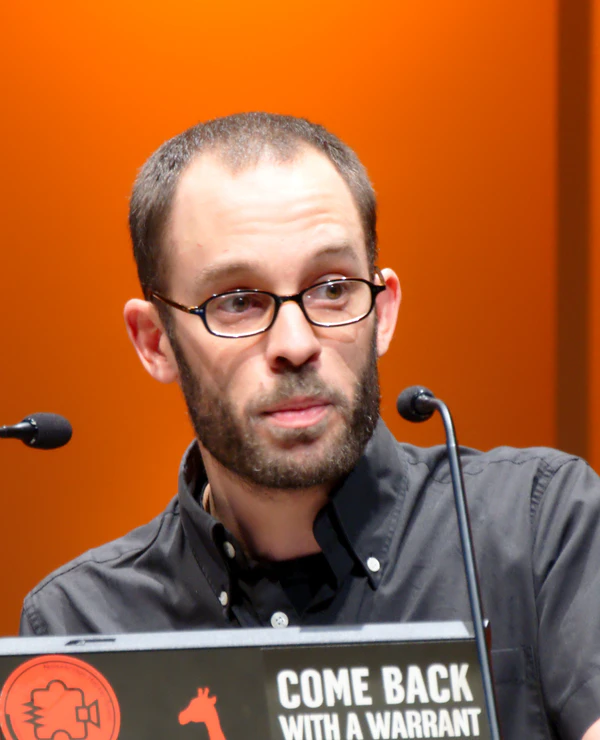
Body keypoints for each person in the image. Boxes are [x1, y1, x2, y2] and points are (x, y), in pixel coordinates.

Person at [19, 113, 600, 739]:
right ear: (155, 341)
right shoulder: (82, 628)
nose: (295, 344)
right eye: (237, 302)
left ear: (382, 313)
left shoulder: (539, 530)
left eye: (331, 288)